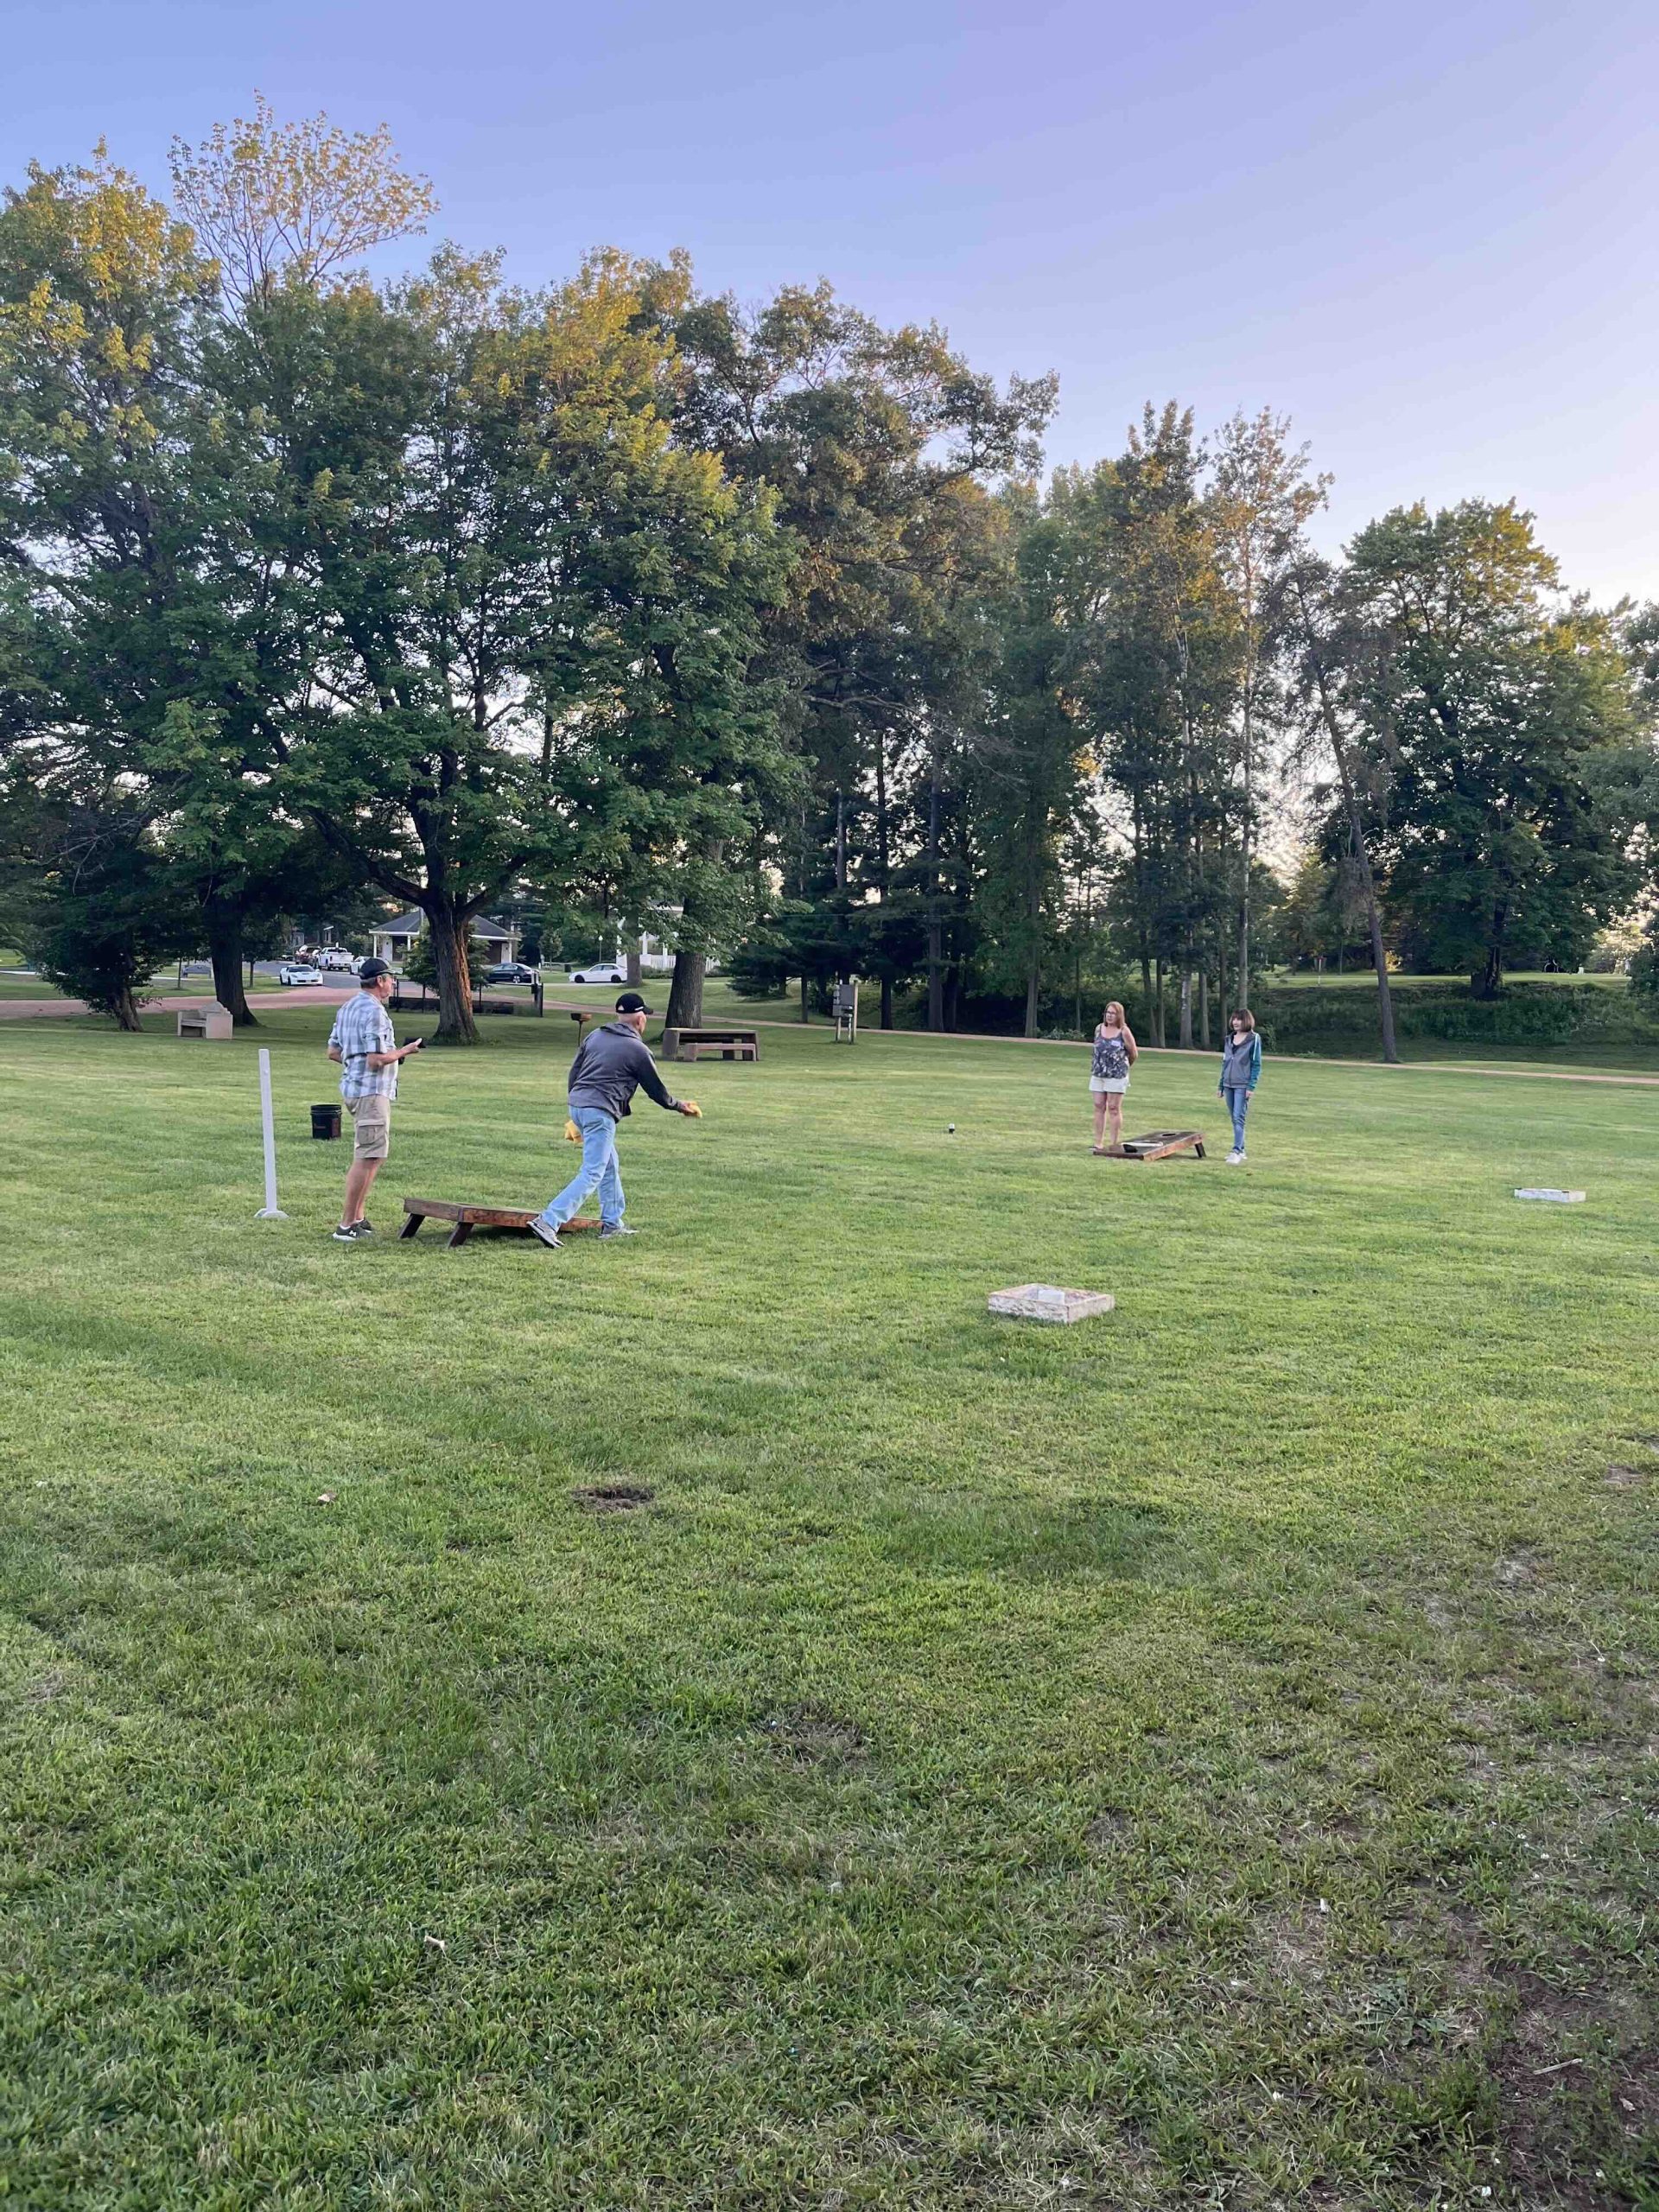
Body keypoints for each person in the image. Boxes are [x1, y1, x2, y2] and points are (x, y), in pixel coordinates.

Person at [530, 991, 698, 1249]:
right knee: (593, 1171)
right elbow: (656, 1091)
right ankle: (549, 1221)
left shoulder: (595, 1035)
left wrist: (577, 1107)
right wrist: (680, 1106)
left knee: (609, 1166)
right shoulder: (638, 1050)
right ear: (640, 1019)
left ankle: (612, 1223)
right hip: (599, 1112)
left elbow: (575, 1072)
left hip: (579, 1104)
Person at [325, 957, 424, 1241]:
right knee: (368, 1157)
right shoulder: (375, 1012)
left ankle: (358, 1217)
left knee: (372, 1155)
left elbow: (333, 1052)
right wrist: (405, 1051)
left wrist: (356, 1062)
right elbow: (376, 1059)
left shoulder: (347, 1008)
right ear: (380, 980)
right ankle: (346, 1226)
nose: (392, 983)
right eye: (391, 978)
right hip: (371, 1092)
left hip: (354, 1089)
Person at [1089, 1001, 1138, 1154]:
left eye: (1113, 1013)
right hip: (1098, 1073)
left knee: (1113, 1108)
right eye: (1108, 1013)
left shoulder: (1124, 1031)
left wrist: (1123, 1067)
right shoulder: (1099, 1029)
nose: (1110, 1016)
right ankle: (1098, 1143)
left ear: (1119, 1015)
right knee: (1099, 1105)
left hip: (1116, 1075)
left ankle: (1114, 1144)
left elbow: (1133, 1053)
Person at [1217, 1007, 1262, 1163]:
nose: (1236, 1022)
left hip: (1242, 1085)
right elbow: (1225, 1062)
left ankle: (1236, 1151)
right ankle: (1241, 1149)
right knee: (1234, 1118)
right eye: (1234, 1019)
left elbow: (1256, 1064)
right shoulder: (1228, 1039)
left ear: (1246, 1021)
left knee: (1238, 1117)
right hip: (1228, 1084)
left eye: (1239, 1019)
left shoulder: (1254, 1039)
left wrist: (1251, 1086)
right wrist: (1221, 1085)